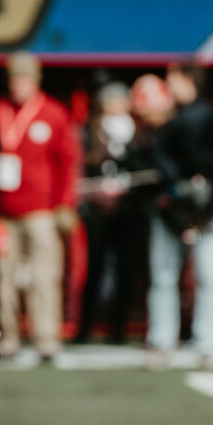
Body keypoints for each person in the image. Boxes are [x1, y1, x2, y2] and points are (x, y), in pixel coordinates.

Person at [0, 51, 81, 363]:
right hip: (2, 212)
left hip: (42, 211)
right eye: (13, 80)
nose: (18, 86)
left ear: (35, 82)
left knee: (44, 276)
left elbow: (68, 161)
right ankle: (8, 337)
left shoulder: (53, 113)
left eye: (24, 79)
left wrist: (65, 204)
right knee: (2, 277)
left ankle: (46, 338)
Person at [147, 69, 213, 369]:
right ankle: (162, 340)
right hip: (171, 209)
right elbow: (160, 156)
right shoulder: (187, 124)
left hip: (207, 214)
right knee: (164, 276)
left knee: (210, 277)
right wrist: (177, 185)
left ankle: (208, 342)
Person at [75, 80, 145, 344]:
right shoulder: (91, 131)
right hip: (98, 211)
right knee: (95, 268)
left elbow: (142, 166)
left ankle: (120, 327)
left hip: (128, 211)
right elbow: (83, 167)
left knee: (125, 270)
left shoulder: (136, 131)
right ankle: (85, 327)